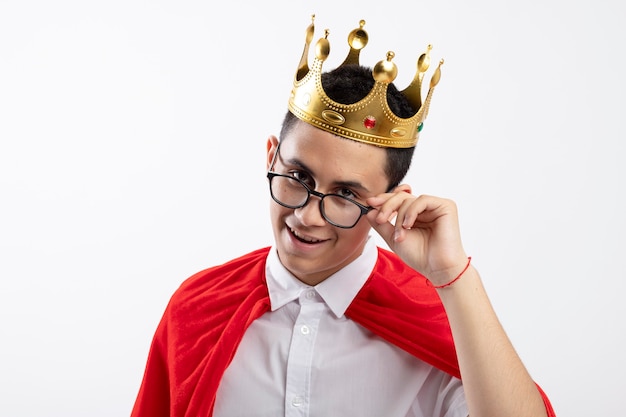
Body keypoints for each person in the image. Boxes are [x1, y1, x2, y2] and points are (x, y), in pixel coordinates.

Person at [131, 16, 556, 417]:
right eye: (298, 176)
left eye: (346, 194)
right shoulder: (197, 306)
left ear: (391, 202)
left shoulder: (449, 324)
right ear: (270, 158)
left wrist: (454, 276)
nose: (308, 215)